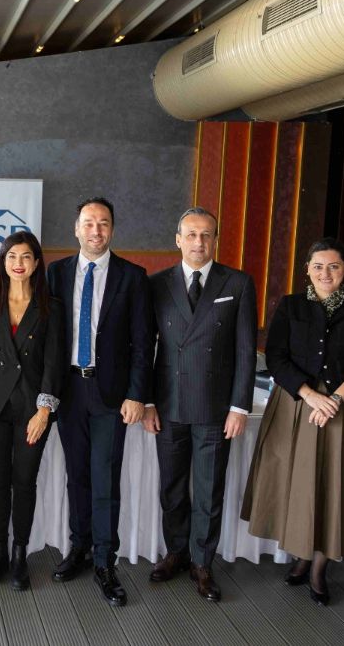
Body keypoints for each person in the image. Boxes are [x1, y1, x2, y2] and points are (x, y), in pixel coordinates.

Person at [241, 237, 344, 606]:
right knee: (298, 484)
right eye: (318, 266)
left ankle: (320, 566)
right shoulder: (291, 305)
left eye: (334, 266)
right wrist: (310, 395)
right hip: (297, 404)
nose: (326, 273)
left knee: (333, 484)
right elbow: (275, 357)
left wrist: (335, 399)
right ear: (307, 269)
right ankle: (302, 555)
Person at [145, 206, 256, 603]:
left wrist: (239, 407)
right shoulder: (156, 284)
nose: (198, 242)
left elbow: (245, 351)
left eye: (206, 234)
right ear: (178, 240)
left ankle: (202, 562)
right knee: (172, 487)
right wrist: (147, 401)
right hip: (169, 403)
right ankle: (176, 552)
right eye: (191, 234)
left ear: (215, 240)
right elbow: (145, 348)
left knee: (209, 490)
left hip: (215, 407)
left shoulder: (237, 283)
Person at [46, 198, 153, 607]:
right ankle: (80, 547)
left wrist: (137, 394)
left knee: (105, 478)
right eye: (89, 223)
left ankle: (106, 562)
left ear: (112, 229)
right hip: (69, 390)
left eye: (103, 223)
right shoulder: (56, 274)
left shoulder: (133, 277)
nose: (96, 231)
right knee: (77, 475)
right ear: (76, 228)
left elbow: (143, 342)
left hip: (111, 394)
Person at [0, 231, 64, 591]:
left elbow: (53, 363)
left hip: (32, 410)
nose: (18, 263)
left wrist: (44, 412)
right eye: (11, 257)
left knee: (24, 481)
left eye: (25, 257)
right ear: (3, 263)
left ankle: (20, 552)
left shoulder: (51, 307)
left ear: (36, 263)